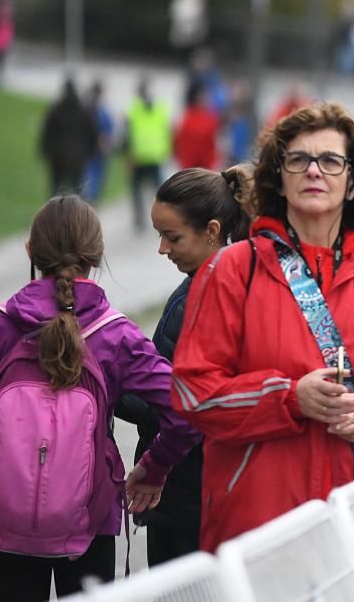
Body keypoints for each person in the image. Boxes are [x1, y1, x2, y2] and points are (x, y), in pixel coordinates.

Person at [171, 103, 354, 551]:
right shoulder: (233, 270)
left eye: (331, 161)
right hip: (260, 529)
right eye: (298, 160)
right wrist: (288, 398)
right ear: (277, 178)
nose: (314, 172)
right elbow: (193, 392)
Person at [0, 196, 200, 602]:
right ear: (97, 255)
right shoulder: (116, 337)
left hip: (7, 514)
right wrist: (155, 467)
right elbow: (189, 408)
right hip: (91, 518)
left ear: (30, 251)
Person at [116, 165, 252, 565]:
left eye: (171, 236)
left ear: (212, 231)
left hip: (186, 495)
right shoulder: (234, 281)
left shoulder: (201, 295)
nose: (162, 248)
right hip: (211, 491)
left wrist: (111, 382)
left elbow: (179, 404)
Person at [123, 78, 172, 232]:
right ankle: (162, 217)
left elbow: (126, 136)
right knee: (157, 191)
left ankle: (142, 219)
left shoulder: (133, 110)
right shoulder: (159, 108)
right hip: (153, 156)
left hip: (141, 157)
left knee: (140, 190)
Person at [39, 79, 98, 197]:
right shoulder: (84, 110)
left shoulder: (56, 109)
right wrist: (89, 152)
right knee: (77, 191)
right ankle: (77, 214)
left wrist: (46, 152)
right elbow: (93, 134)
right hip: (78, 157)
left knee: (55, 189)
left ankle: (54, 214)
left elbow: (47, 133)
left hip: (58, 157)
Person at [82, 80, 115, 205]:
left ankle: (90, 198)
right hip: (95, 149)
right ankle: (91, 198)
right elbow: (109, 131)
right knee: (94, 175)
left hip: (93, 150)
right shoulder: (101, 111)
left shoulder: (90, 109)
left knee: (92, 174)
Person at [174, 84, 220, 171]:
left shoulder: (211, 118)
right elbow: (180, 140)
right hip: (190, 165)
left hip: (205, 165)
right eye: (202, 97)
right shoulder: (188, 116)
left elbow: (213, 143)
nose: (205, 100)